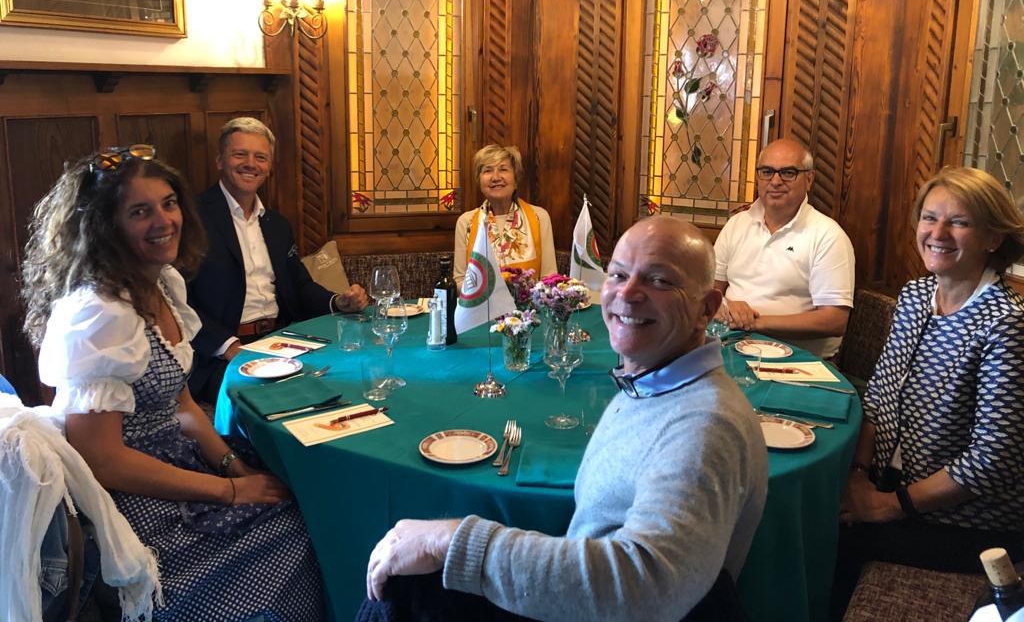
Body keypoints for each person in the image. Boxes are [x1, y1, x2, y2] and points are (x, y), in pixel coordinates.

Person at [364, 216, 768, 622]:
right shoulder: (652, 383)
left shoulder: (704, 425)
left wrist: (450, 541)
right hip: (593, 598)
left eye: (659, 281)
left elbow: (645, 585)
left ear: (706, 309)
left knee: (401, 592)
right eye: (618, 274)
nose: (628, 292)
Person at [22, 145, 325, 621]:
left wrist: (232, 467)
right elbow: (102, 460)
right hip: (137, 503)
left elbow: (182, 403)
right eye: (139, 211)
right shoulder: (101, 312)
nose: (164, 220)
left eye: (168, 203)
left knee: (304, 492)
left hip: (179, 463)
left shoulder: (162, 284)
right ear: (106, 227)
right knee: (296, 534)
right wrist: (229, 492)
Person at [830, 167, 1024, 619]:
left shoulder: (1006, 324)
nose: (937, 233)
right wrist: (858, 476)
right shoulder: (917, 296)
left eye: (959, 222)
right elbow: (878, 398)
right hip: (897, 485)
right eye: (929, 217)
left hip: (970, 522)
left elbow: (991, 461)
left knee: (824, 536)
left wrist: (888, 506)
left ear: (993, 238)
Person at [188, 117, 368, 401]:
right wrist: (227, 345)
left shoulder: (277, 225)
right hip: (221, 356)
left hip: (281, 341)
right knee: (289, 398)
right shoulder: (191, 218)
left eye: (260, 157)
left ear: (269, 167)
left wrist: (337, 302)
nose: (251, 164)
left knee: (354, 376)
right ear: (220, 160)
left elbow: (299, 287)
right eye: (240, 154)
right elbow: (177, 301)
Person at [713, 138, 855, 358]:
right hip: (729, 346)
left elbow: (834, 321)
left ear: (809, 179)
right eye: (767, 171)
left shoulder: (828, 236)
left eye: (788, 173)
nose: (775, 181)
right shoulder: (736, 224)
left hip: (797, 361)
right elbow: (708, 290)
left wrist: (753, 323)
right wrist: (726, 304)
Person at [453, 144, 557, 286]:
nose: (496, 177)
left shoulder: (539, 217)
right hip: (481, 300)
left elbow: (549, 278)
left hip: (529, 300)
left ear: (516, 179)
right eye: (487, 170)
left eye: (503, 169)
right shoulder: (466, 222)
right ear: (479, 181)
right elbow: (459, 281)